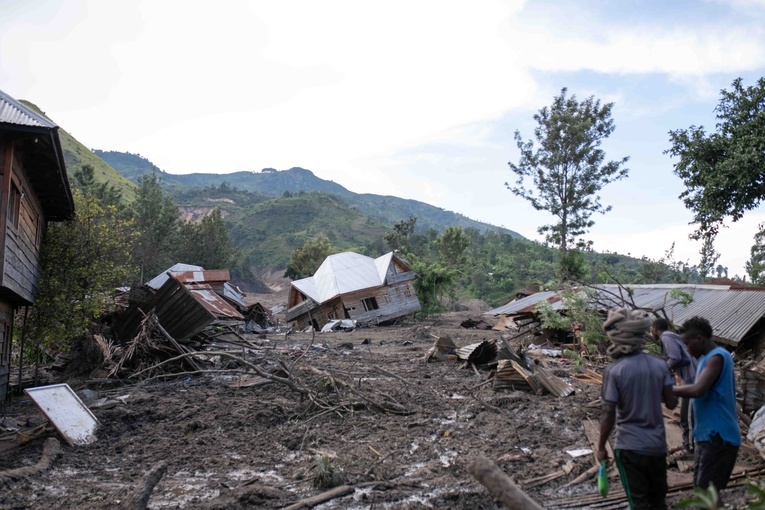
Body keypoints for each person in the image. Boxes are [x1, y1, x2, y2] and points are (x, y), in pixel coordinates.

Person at [597, 308, 678, 510]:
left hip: (629, 446)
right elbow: (671, 404)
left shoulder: (614, 370)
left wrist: (600, 446)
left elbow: (608, 413)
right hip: (657, 446)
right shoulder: (660, 366)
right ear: (642, 336)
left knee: (639, 503)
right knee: (659, 501)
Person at [674, 316, 741, 494]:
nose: (687, 350)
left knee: (707, 495)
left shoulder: (718, 357)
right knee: (703, 493)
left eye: (687, 344)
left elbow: (698, 390)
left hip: (720, 437)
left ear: (699, 339)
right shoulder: (705, 360)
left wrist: (666, 389)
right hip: (707, 438)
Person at [652, 318, 698, 454]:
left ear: (655, 328)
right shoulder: (672, 337)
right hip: (691, 378)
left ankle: (689, 449)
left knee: (688, 416)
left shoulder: (666, 337)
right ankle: (688, 444)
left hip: (693, 379)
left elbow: (676, 357)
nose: (651, 331)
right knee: (687, 415)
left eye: (651, 329)